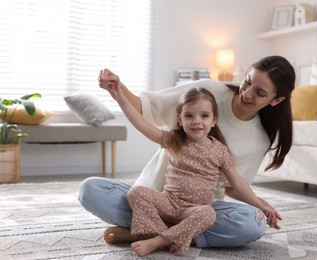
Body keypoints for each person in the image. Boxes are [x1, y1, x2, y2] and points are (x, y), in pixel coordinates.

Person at [78, 55, 295, 249]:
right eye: (247, 81)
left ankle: (151, 233)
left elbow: (235, 185)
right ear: (180, 119)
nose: (247, 93)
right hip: (156, 198)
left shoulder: (246, 143)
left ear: (276, 100)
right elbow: (145, 113)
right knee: (90, 189)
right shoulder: (202, 97)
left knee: (253, 223)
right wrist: (118, 90)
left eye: (260, 93)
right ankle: (176, 233)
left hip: (199, 210)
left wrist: (262, 206)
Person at [108, 86, 275, 256]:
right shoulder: (174, 141)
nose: (196, 121)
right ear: (180, 120)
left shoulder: (220, 150)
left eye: (204, 116)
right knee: (136, 192)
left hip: (194, 210)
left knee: (208, 213)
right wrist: (120, 97)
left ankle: (158, 241)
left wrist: (261, 205)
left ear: (214, 120)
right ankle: (165, 235)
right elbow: (141, 124)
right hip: (168, 202)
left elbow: (238, 183)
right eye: (189, 116)